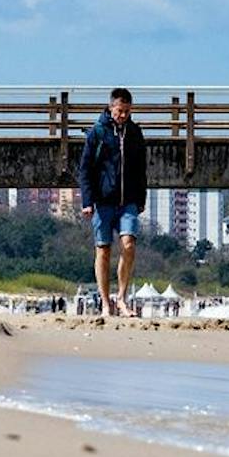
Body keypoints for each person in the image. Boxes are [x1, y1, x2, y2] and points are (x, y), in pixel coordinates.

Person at [78, 86, 147, 316]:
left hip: (128, 201)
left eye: (127, 111)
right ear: (111, 108)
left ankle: (122, 299)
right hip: (103, 201)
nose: (123, 115)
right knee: (103, 251)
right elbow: (85, 169)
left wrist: (141, 199)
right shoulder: (97, 133)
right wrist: (87, 201)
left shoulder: (135, 133)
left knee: (128, 245)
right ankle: (105, 303)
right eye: (120, 111)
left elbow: (141, 170)